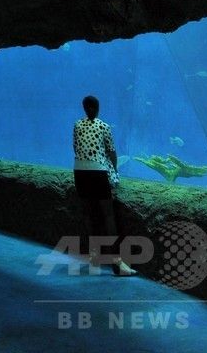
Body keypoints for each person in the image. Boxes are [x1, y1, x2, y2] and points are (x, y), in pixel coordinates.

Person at [73, 95, 136, 276]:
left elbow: (75, 148)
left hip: (80, 171)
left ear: (84, 108)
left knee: (88, 213)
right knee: (108, 216)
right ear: (98, 108)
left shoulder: (77, 125)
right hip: (98, 173)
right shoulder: (104, 126)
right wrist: (114, 170)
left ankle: (94, 256)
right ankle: (117, 263)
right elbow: (112, 153)